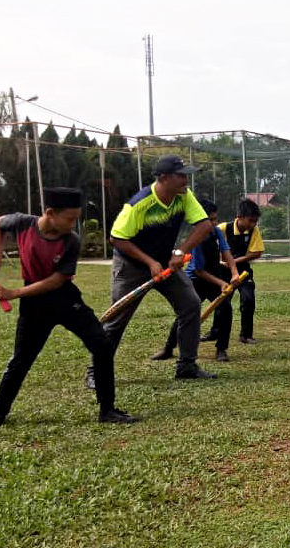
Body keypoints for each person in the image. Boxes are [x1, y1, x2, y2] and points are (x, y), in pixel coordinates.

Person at [0, 187, 136, 428]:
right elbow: (1, 223)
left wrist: (14, 293)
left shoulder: (71, 240)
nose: (74, 225)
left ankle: (108, 410)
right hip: (34, 306)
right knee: (22, 359)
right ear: (50, 213)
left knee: (102, 345)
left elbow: (57, 280)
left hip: (64, 299)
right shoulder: (23, 223)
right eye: (71, 219)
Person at [89, 154, 218, 388]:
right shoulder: (140, 203)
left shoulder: (183, 196)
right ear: (165, 178)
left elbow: (204, 225)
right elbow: (117, 238)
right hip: (131, 265)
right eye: (181, 176)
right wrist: (149, 262)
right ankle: (96, 372)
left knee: (190, 304)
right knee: (117, 318)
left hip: (165, 262)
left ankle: (187, 365)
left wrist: (179, 252)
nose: (186, 180)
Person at [149, 206, 238, 362]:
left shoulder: (217, 232)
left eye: (215, 218)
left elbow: (227, 253)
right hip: (196, 281)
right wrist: (221, 282)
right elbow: (198, 271)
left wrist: (234, 272)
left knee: (226, 310)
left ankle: (221, 349)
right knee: (186, 314)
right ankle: (168, 348)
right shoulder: (195, 238)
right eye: (210, 219)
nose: (214, 222)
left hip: (214, 279)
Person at [204, 199, 265, 345]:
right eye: (251, 220)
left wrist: (234, 261)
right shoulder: (223, 228)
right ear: (240, 216)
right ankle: (214, 332)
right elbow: (213, 247)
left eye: (255, 221)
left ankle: (246, 335)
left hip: (243, 272)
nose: (253, 224)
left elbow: (256, 253)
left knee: (248, 300)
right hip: (223, 272)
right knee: (222, 303)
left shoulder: (253, 231)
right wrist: (220, 262)